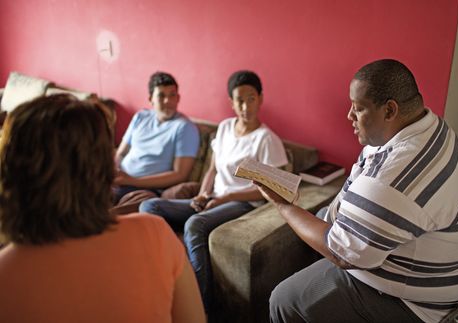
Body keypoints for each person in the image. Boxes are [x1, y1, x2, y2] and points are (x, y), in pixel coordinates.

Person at [258, 59, 458, 323]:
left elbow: (340, 254)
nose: (349, 116)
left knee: (284, 299)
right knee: (321, 215)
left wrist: (283, 205)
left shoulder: (392, 181)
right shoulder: (430, 128)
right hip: (451, 271)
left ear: (390, 110)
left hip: (426, 306)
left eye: (358, 108)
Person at [0, 94, 206, 323]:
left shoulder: (6, 273)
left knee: (144, 201)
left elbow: (180, 174)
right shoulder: (154, 234)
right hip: (120, 187)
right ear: (101, 166)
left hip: (140, 187)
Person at [140, 70, 289, 314]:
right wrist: (202, 193)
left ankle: (202, 307)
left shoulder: (266, 140)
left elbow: (273, 189)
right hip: (212, 198)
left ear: (260, 99)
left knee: (195, 225)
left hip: (242, 203)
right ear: (231, 103)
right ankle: (160, 277)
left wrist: (226, 197)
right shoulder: (225, 128)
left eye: (251, 98)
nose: (245, 106)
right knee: (149, 207)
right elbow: (212, 168)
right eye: (239, 100)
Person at [114, 71, 200, 204]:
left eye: (172, 95)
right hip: (121, 179)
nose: (168, 101)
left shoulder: (184, 127)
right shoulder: (140, 117)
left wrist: (131, 181)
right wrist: (114, 171)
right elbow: (121, 152)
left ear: (178, 98)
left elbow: (180, 174)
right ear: (151, 99)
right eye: (161, 96)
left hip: (147, 188)